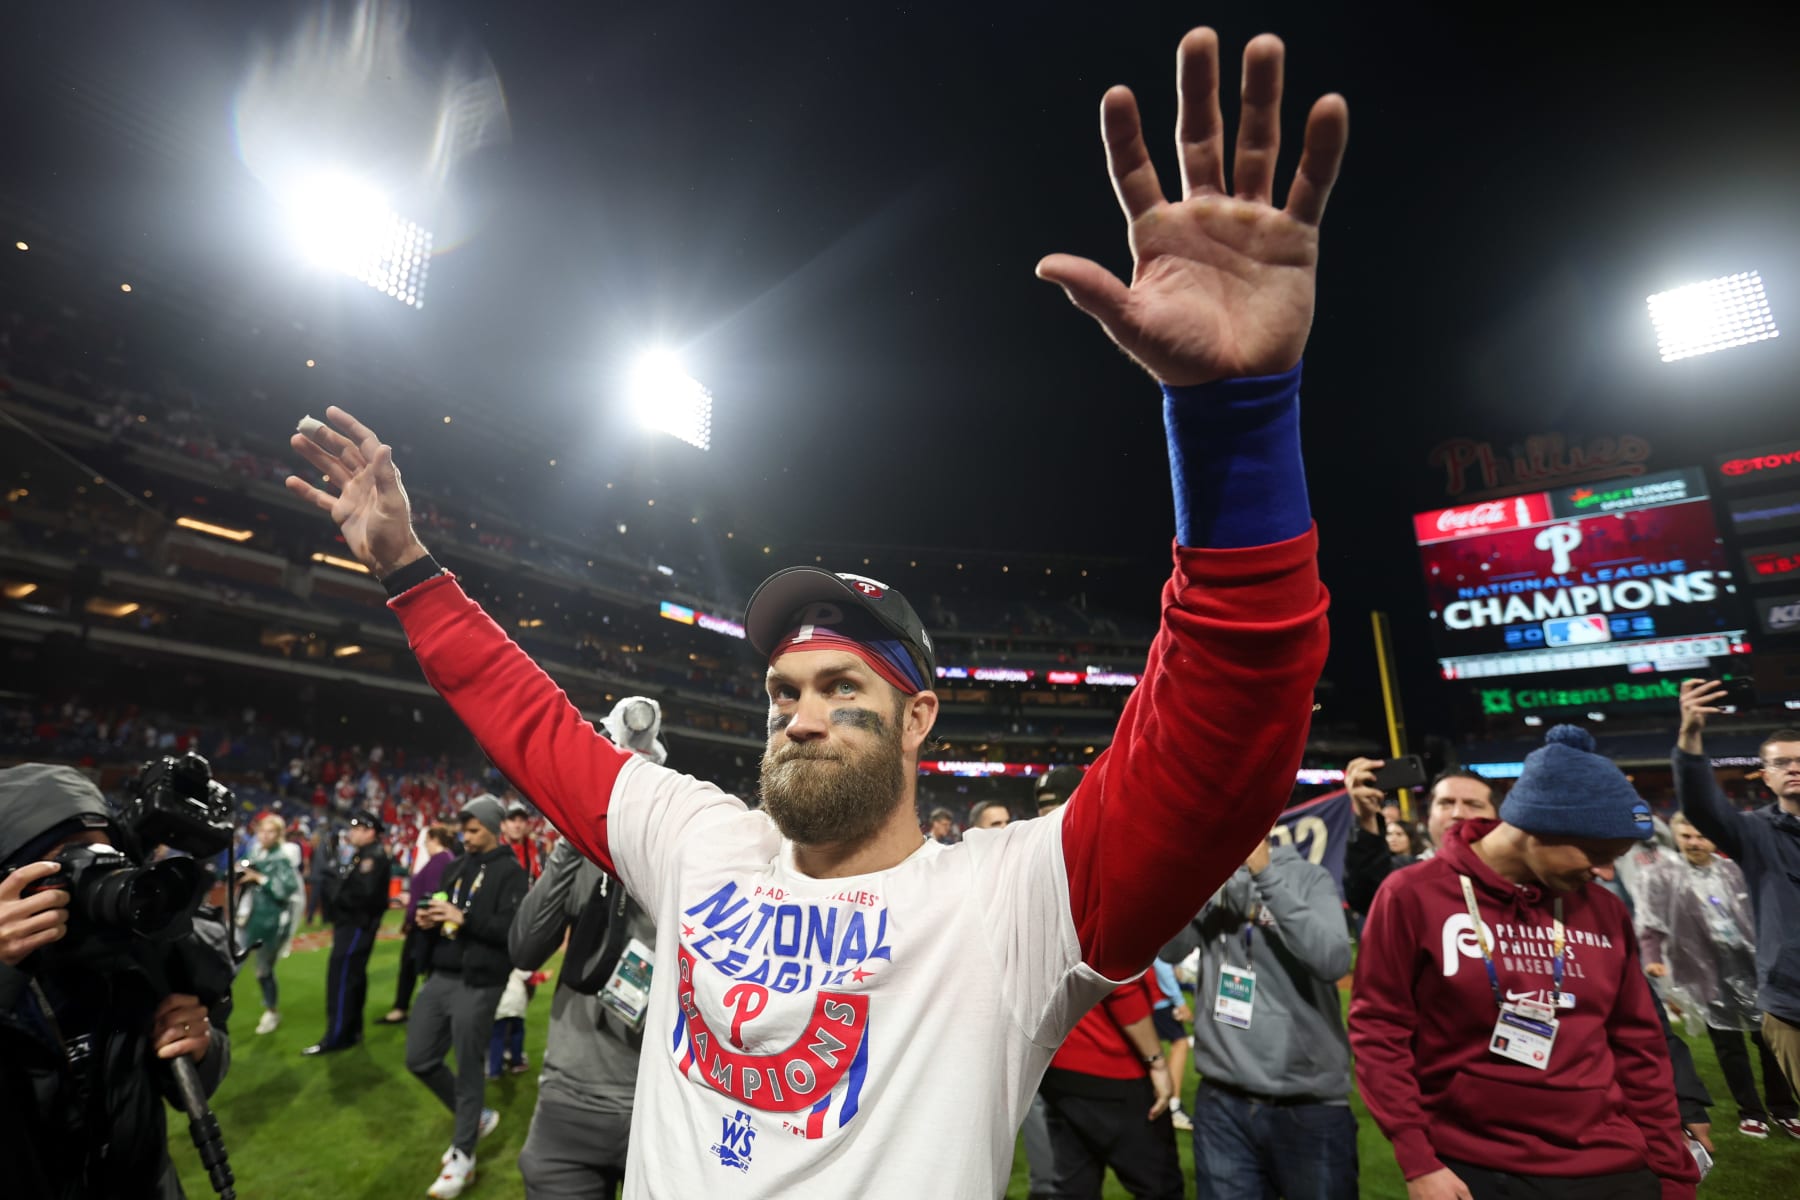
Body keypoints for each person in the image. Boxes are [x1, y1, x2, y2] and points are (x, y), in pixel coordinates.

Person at [285, 25, 1343, 1195]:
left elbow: (1224, 726)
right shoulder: (699, 843)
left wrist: (1238, 422)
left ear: (920, 720)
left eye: (845, 689)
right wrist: (410, 570)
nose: (799, 712)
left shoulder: (1013, 906)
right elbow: (532, 730)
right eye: (785, 689)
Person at [1351, 726, 1699, 1200]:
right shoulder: (1412, 894)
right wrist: (1418, 1161)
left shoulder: (1602, 909)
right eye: (1597, 854)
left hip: (1613, 1163)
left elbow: (1639, 1044)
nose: (1605, 872)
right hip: (1477, 1168)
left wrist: (1672, 1169)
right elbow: (1380, 1033)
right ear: (1534, 827)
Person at [0, 763, 231, 1199]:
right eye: (67, 861)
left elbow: (191, 1080)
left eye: (103, 855)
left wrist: (201, 1047)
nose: (95, 874)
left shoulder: (137, 953)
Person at [509, 694, 666, 1199]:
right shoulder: (580, 859)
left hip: (659, 1104)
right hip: (569, 1105)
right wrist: (567, 834)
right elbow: (526, 949)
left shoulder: (685, 859)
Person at [1162, 832, 1357, 1199]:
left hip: (1307, 1103)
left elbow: (1332, 960)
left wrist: (1266, 876)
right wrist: (1191, 884)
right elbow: (1171, 951)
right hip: (1222, 1102)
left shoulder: (1307, 877)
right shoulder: (1208, 878)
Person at [1673, 679, 1800, 1100]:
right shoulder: (1753, 833)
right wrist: (1690, 733)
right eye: (1781, 763)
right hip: (1791, 1006)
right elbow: (1700, 807)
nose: (1794, 768)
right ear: (1765, 776)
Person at [1639, 813, 1799, 1140]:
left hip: (1756, 970)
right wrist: (1653, 960)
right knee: (1729, 1048)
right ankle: (1751, 1112)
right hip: (1705, 974)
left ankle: (1784, 1109)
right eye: (1686, 836)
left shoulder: (1735, 869)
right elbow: (1650, 925)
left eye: (1700, 835)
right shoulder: (1661, 877)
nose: (1694, 843)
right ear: (1676, 837)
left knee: (1770, 1041)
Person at [409, 794, 530, 1198]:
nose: (466, 835)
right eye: (464, 828)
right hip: (442, 973)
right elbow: (446, 912)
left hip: (479, 980)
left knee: (469, 1065)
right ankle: (476, 1117)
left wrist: (464, 919)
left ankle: (464, 1157)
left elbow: (510, 931)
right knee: (420, 1058)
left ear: (494, 830)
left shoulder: (512, 872)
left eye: (474, 829)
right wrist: (429, 918)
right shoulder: (457, 867)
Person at [1344, 762, 1496, 914]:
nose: (1457, 813)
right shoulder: (1407, 875)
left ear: (1497, 819)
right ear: (1428, 818)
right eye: (1446, 803)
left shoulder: (1517, 875)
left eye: (1473, 805)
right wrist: (1367, 818)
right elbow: (1367, 897)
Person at [304, 808, 391, 1055]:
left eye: (357, 828)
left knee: (341, 980)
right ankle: (351, 1030)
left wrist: (334, 888)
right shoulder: (363, 854)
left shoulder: (371, 856)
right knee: (352, 979)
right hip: (354, 925)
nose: (352, 832)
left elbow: (362, 896)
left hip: (355, 926)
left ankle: (337, 1036)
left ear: (370, 831)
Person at [382, 823, 458, 1026]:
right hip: (427, 922)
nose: (425, 845)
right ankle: (425, 1009)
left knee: (413, 966)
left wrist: (413, 915)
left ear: (434, 839)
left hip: (424, 925)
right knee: (422, 967)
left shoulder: (439, 861)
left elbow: (431, 893)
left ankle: (407, 1008)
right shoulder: (445, 859)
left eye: (427, 841)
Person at [239, 812, 302, 1035]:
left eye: (270, 831)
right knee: (237, 964)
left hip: (271, 921)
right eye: (261, 831)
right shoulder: (258, 853)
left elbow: (286, 889)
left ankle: (271, 1011)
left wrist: (258, 878)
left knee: (263, 971)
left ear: (279, 835)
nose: (264, 835)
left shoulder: (281, 858)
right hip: (254, 917)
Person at [503, 800, 543, 881]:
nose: (517, 825)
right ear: (503, 824)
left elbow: (539, 879)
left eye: (521, 820)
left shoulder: (531, 848)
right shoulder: (496, 847)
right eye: (513, 820)